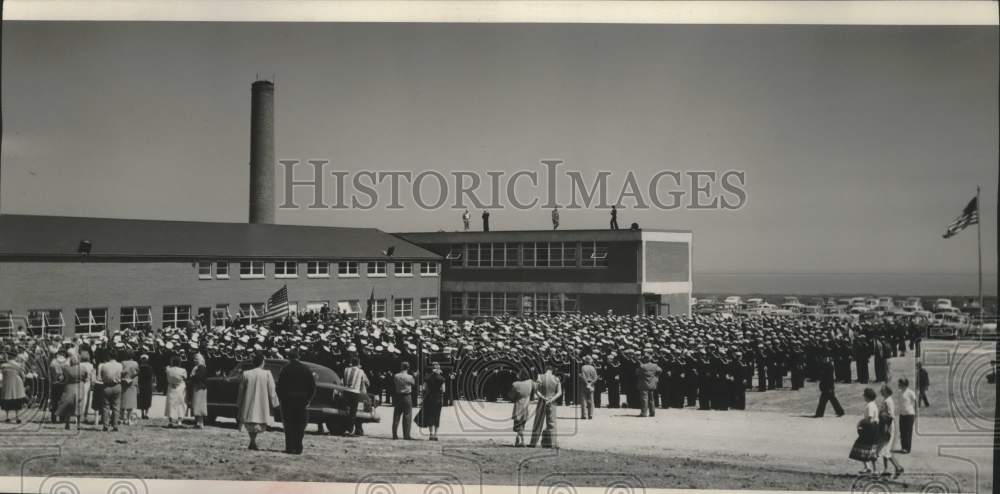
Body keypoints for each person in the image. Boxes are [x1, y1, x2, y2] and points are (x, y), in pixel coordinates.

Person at [236, 352, 280, 451]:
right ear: (262, 363)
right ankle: (252, 442)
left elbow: (241, 390)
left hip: (248, 401)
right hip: (262, 402)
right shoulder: (267, 374)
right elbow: (272, 389)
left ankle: (252, 441)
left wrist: (239, 402)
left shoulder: (246, 374)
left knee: (250, 421)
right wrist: (275, 402)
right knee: (257, 421)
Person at [276, 348, 316, 454]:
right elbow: (312, 387)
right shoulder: (306, 369)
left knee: (289, 425)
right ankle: (298, 447)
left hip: (287, 401)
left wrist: (282, 400)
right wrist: (308, 400)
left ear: (289, 357)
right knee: (300, 425)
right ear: (299, 357)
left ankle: (289, 447)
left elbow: (279, 387)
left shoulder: (285, 369)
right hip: (302, 401)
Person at [529, 363, 562, 448]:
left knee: (538, 422)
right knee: (552, 423)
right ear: (553, 370)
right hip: (552, 402)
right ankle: (553, 443)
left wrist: (543, 397)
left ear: (546, 369)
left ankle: (533, 442)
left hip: (542, 401)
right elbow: (559, 392)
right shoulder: (556, 379)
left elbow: (536, 391)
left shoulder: (540, 377)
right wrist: (551, 399)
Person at [849, 388, 881, 475]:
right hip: (873, 428)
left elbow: (869, 419)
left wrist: (861, 422)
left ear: (867, 396)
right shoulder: (872, 404)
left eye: (864, 395)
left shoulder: (870, 405)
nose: (863, 396)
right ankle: (868, 467)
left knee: (867, 448)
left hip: (870, 429)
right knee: (865, 448)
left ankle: (873, 469)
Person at [877, 385, 904, 478]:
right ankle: (886, 470)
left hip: (887, 426)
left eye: (882, 390)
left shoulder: (888, 401)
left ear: (887, 391)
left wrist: (885, 428)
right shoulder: (886, 400)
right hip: (884, 425)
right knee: (885, 449)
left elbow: (891, 416)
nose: (880, 391)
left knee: (885, 450)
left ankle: (898, 468)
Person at [56, 354, 87, 430]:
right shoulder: (83, 368)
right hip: (80, 386)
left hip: (69, 387)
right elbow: (85, 377)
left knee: (68, 405)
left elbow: (63, 376)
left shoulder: (66, 369)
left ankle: (67, 423)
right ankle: (78, 424)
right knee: (79, 405)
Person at [418, 361, 445, 441]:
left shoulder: (427, 378)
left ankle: (431, 434)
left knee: (430, 416)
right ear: (439, 369)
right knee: (437, 416)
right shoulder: (442, 379)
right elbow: (443, 390)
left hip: (429, 398)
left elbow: (423, 388)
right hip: (438, 398)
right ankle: (436, 434)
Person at [97, 350, 123, 432]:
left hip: (106, 386)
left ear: (109, 356)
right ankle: (115, 425)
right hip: (117, 385)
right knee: (116, 406)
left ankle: (105, 425)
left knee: (105, 406)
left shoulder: (104, 365)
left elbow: (100, 376)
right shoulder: (120, 365)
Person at [508, 370, 536, 447]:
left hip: (518, 406)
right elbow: (533, 396)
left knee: (518, 425)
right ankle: (518, 440)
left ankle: (521, 440)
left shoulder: (516, 384)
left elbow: (511, 396)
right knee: (522, 424)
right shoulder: (531, 383)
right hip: (526, 406)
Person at [343, 357, 369, 436]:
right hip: (355, 392)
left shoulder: (346, 370)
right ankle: (350, 429)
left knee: (347, 410)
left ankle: (345, 428)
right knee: (353, 412)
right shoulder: (361, 371)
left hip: (346, 391)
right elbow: (367, 382)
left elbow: (344, 380)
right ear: (358, 363)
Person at [392, 361, 415, 440]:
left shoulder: (396, 376)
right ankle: (406, 435)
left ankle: (394, 434)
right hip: (407, 396)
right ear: (408, 368)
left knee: (396, 415)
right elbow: (413, 384)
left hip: (398, 396)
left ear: (401, 367)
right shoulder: (410, 377)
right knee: (407, 416)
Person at [1, 353, 27, 424]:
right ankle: (17, 417)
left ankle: (7, 417)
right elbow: (23, 375)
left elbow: (2, 374)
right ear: (15, 357)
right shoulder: (18, 365)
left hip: (7, 384)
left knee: (7, 401)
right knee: (17, 402)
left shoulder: (3, 365)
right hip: (17, 384)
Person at [164, 356, 188, 428]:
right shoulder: (183, 370)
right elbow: (185, 378)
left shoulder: (168, 369)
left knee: (170, 404)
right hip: (180, 387)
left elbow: (166, 368)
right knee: (180, 404)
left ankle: (170, 421)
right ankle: (179, 422)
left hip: (171, 387)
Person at [636, 353, 662, 418]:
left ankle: (644, 413)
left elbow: (637, 372)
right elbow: (660, 370)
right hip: (652, 384)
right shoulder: (655, 365)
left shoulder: (642, 366)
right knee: (651, 399)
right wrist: (655, 376)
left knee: (644, 399)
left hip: (644, 384)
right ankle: (652, 412)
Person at [188, 353, 209, 429]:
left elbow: (198, 377)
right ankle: (197, 422)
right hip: (197, 388)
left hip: (200, 389)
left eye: (196, 359)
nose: (194, 360)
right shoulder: (198, 367)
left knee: (199, 406)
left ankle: (201, 423)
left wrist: (193, 375)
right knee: (196, 406)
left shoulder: (201, 367)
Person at [896, 378, 916, 454]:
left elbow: (916, 401)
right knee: (902, 431)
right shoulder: (899, 392)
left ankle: (907, 448)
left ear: (904, 385)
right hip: (902, 414)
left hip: (909, 415)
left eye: (900, 384)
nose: (898, 385)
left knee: (908, 432)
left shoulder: (910, 392)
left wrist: (915, 412)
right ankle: (903, 447)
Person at [119, 351, 139, 426]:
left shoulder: (122, 363)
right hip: (132, 383)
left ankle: (121, 418)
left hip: (124, 382)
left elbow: (121, 372)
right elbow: (137, 372)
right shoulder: (135, 363)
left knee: (123, 401)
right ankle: (128, 419)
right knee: (131, 402)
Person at [137, 354, 155, 420]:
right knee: (147, 399)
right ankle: (146, 414)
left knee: (141, 399)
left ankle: (142, 413)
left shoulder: (139, 368)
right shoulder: (150, 367)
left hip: (141, 385)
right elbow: (151, 377)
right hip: (147, 385)